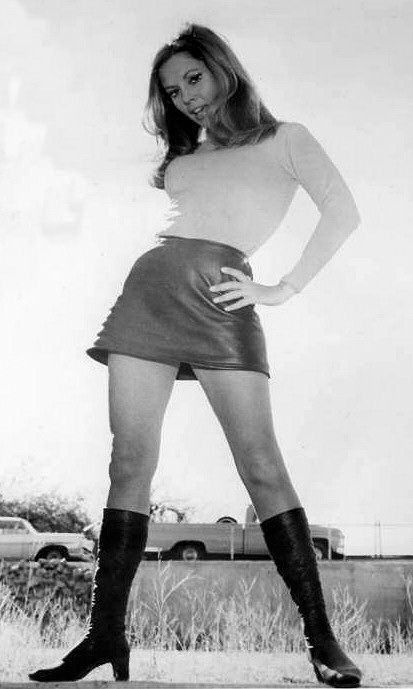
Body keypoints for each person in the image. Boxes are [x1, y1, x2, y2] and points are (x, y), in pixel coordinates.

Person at [29, 22, 362, 686]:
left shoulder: (285, 138)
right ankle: (104, 636)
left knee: (261, 466)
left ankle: (323, 641)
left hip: (222, 304)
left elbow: (342, 212)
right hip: (147, 298)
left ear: (222, 69)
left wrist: (282, 288)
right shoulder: (183, 160)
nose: (185, 96)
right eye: (172, 90)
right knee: (128, 463)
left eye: (193, 78)